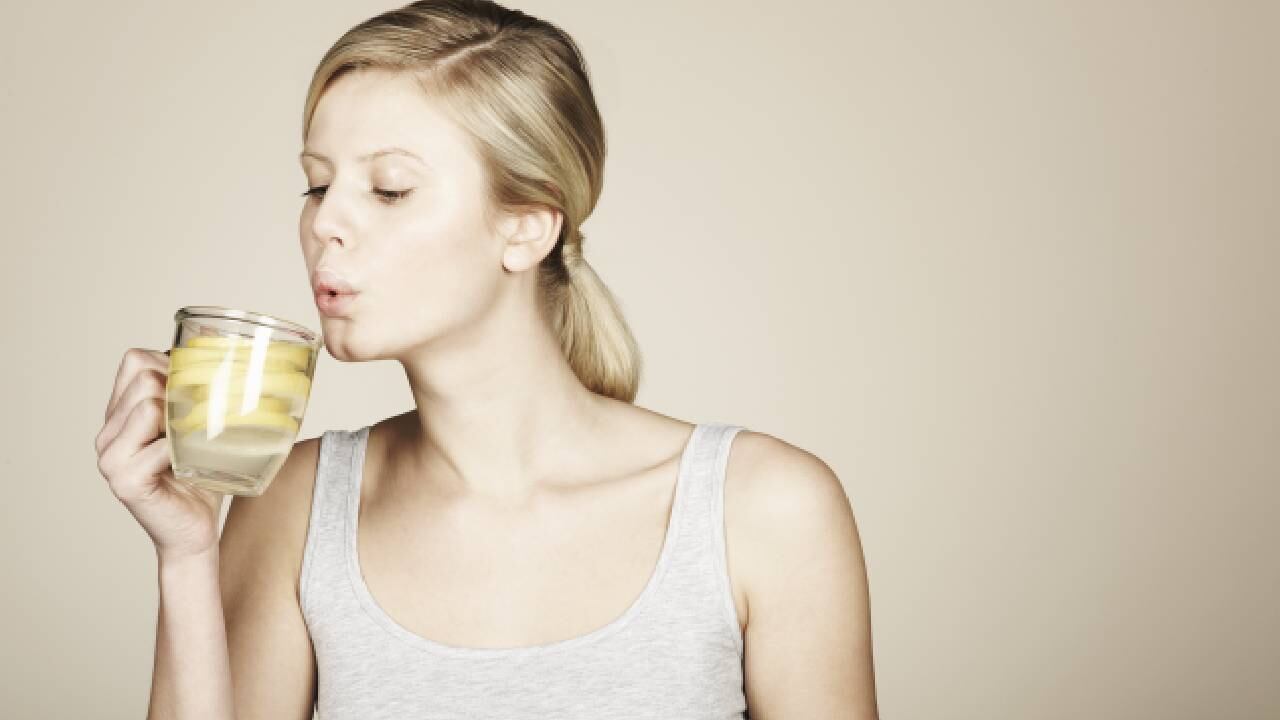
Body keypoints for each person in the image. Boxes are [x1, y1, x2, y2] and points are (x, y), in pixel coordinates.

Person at [93, 1, 877, 717]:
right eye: (316, 185)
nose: (326, 222)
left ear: (526, 227)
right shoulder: (291, 506)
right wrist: (187, 556)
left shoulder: (764, 510)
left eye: (389, 189)